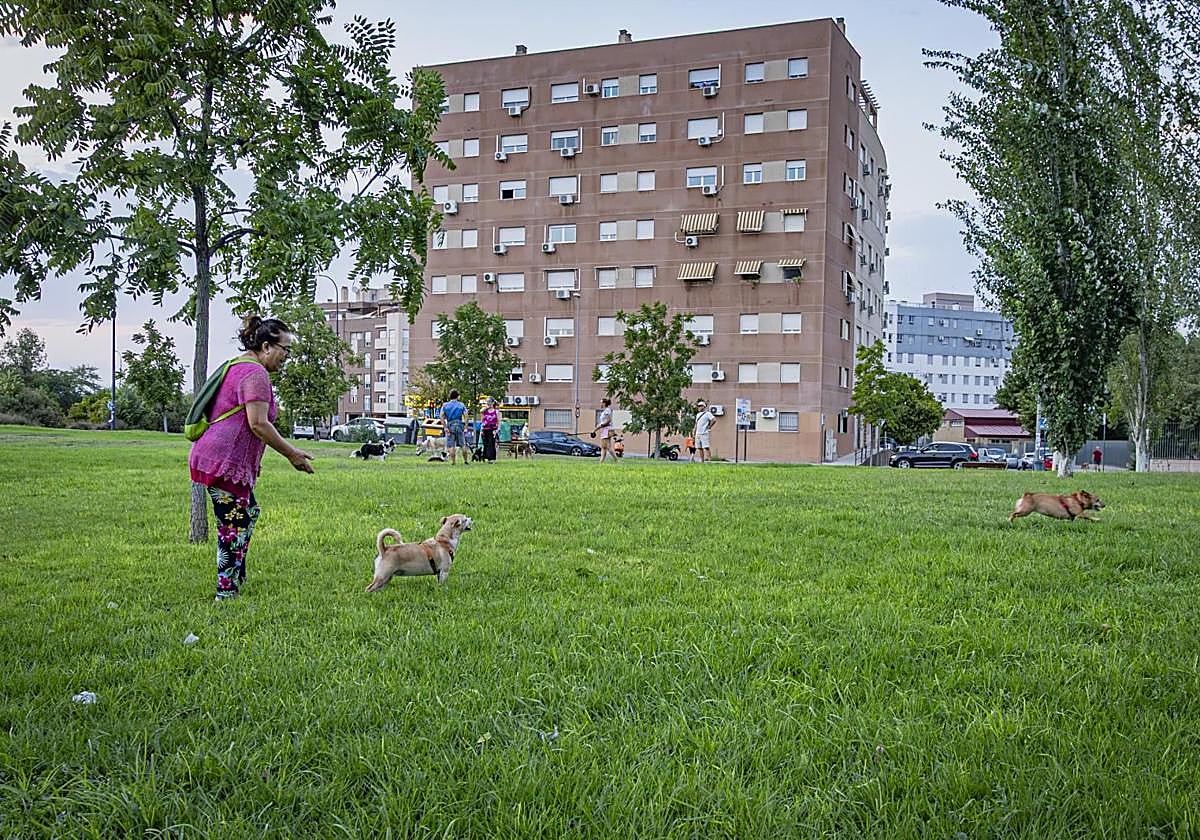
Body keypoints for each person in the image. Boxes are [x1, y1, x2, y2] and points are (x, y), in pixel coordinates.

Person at [188, 315, 314, 602]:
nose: (286, 357)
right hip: (224, 462)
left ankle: (237, 574)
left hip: (220, 458)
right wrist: (292, 454)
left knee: (249, 513)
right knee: (232, 527)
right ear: (266, 346)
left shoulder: (239, 366)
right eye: (285, 349)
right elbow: (258, 424)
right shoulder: (255, 373)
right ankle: (225, 593)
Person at [439, 389, 468, 465]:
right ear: (457, 396)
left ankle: (453, 462)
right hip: (459, 424)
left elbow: (441, 416)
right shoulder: (461, 405)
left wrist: (445, 427)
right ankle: (465, 461)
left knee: (451, 445)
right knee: (463, 444)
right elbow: (466, 415)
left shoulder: (445, 405)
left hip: (450, 424)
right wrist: (465, 427)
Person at [592, 397, 616, 464]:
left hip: (606, 430)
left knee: (608, 447)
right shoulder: (605, 411)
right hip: (604, 430)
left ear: (604, 403)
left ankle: (616, 460)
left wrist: (600, 426)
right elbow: (603, 422)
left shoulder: (607, 410)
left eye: (601, 403)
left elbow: (608, 420)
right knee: (603, 447)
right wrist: (597, 428)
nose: (600, 404)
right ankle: (601, 462)